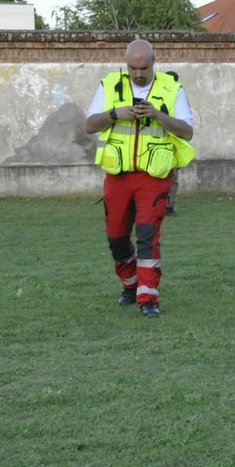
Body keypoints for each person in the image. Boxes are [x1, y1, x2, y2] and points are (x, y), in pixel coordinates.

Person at [83, 38, 194, 319]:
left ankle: (148, 297)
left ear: (154, 63)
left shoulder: (171, 88)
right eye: (133, 68)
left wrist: (157, 115)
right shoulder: (109, 85)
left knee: (147, 236)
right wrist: (114, 114)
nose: (138, 74)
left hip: (154, 176)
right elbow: (89, 125)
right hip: (118, 175)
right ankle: (130, 285)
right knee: (117, 239)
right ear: (126, 64)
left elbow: (186, 131)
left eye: (144, 68)